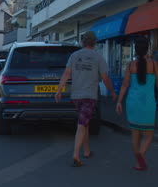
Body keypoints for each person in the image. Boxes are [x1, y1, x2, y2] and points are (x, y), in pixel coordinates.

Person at [55, 31, 117, 167]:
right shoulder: (98, 57)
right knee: (82, 124)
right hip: (89, 96)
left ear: (83, 42)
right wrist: (112, 92)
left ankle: (87, 151)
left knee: (85, 122)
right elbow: (105, 78)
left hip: (76, 96)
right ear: (94, 43)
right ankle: (76, 155)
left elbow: (66, 73)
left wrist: (59, 90)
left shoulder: (74, 56)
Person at [116, 37, 158, 171]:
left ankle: (138, 162)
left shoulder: (130, 65)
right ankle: (141, 154)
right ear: (148, 49)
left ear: (136, 50)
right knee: (149, 134)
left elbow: (124, 85)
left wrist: (119, 102)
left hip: (132, 103)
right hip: (148, 103)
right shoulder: (154, 64)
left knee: (135, 133)